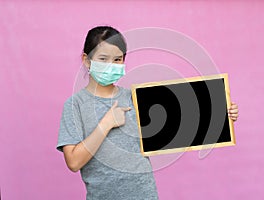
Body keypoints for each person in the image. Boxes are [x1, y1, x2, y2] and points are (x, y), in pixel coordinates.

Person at [56, 26, 239, 200]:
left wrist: (222, 114)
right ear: (86, 60)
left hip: (145, 194)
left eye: (117, 60)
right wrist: (106, 123)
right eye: (103, 59)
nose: (111, 65)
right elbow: (73, 162)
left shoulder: (136, 98)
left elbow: (183, 123)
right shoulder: (75, 105)